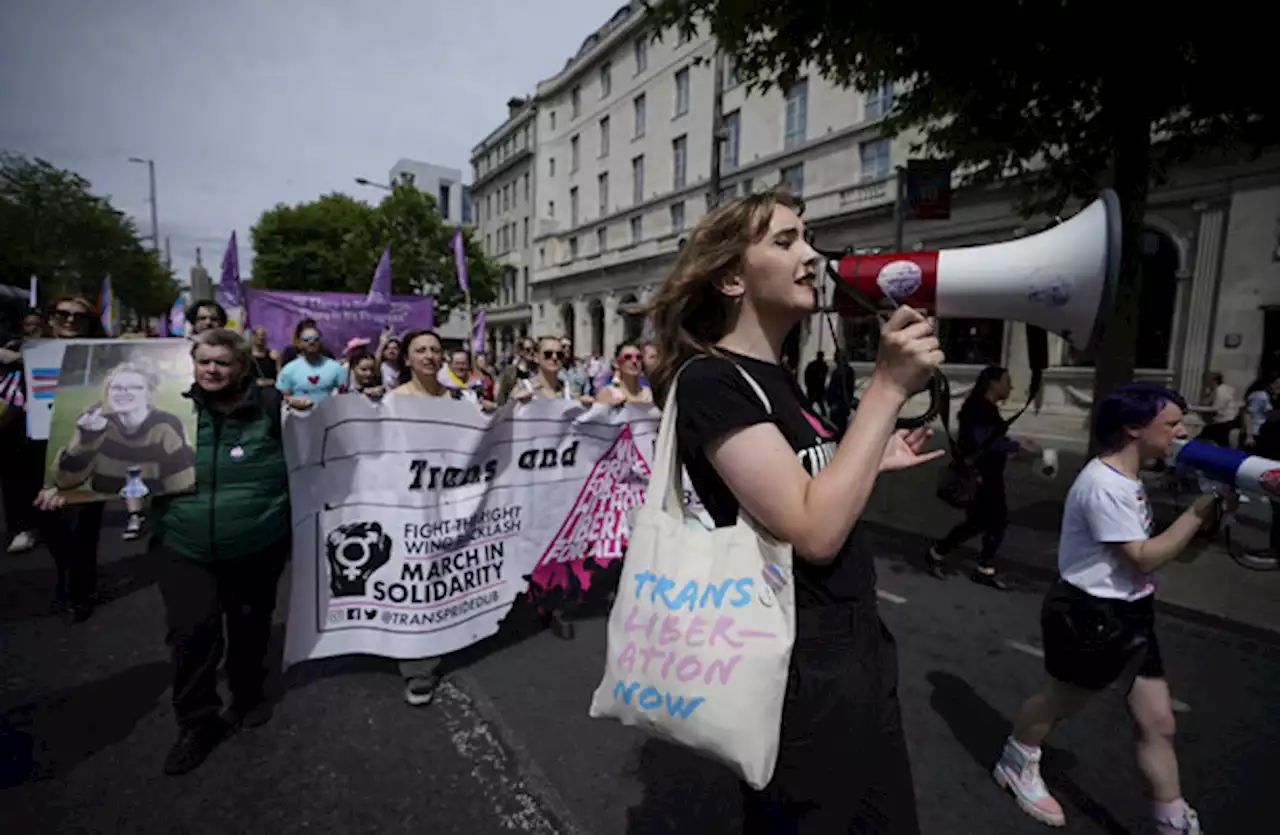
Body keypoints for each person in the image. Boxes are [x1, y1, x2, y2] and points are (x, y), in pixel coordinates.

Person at [647, 189, 943, 834]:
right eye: (785, 241)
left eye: (807, 238)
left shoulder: (774, 376)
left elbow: (806, 481)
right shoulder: (711, 380)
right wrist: (888, 388)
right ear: (731, 276)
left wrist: (868, 455)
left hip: (856, 639)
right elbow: (813, 533)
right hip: (800, 654)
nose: (811, 255)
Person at [994, 384, 1228, 834]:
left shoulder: (1129, 477)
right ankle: (1016, 759)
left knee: (1158, 721)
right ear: (1134, 428)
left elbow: (1167, 554)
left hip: (1134, 611)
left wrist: (1213, 514)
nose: (1183, 432)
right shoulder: (1103, 485)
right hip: (1090, 614)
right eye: (1173, 424)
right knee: (1061, 701)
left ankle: (1172, 819)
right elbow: (1143, 556)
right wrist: (1198, 512)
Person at [391, 329, 483, 704]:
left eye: (434, 350)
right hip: (410, 503)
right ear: (407, 359)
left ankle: (449, 631)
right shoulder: (392, 401)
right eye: (420, 350)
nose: (429, 356)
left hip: (452, 500)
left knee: (446, 570)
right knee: (415, 576)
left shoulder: (459, 399)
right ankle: (417, 665)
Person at [51, 361, 197, 539]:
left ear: (148, 394)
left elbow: (183, 485)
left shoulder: (165, 426)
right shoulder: (98, 424)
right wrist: (87, 438)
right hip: (106, 515)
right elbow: (66, 481)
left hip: (156, 515)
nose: (123, 393)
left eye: (134, 387)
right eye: (117, 388)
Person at [927, 365, 1040, 590]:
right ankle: (980, 567)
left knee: (979, 523)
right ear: (993, 383)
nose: (1011, 387)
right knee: (994, 522)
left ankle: (939, 553)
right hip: (980, 478)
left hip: (987, 476)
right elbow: (985, 441)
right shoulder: (978, 408)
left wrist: (1015, 453)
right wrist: (1019, 447)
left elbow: (989, 443)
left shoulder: (984, 407)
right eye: (1007, 381)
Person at [32, 296, 106, 622]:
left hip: (89, 450)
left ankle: (80, 590)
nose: (70, 321)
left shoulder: (104, 356)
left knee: (82, 526)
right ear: (50, 319)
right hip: (34, 451)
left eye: (80, 317)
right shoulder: (28, 353)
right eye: (63, 314)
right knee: (50, 524)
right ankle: (68, 571)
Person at [276, 323, 346, 408]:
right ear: (300, 343)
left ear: (320, 342)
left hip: (330, 415)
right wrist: (292, 400)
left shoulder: (336, 368)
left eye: (315, 339)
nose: (311, 342)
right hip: (299, 415)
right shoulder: (289, 369)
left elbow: (345, 395)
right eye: (306, 340)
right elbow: (283, 397)